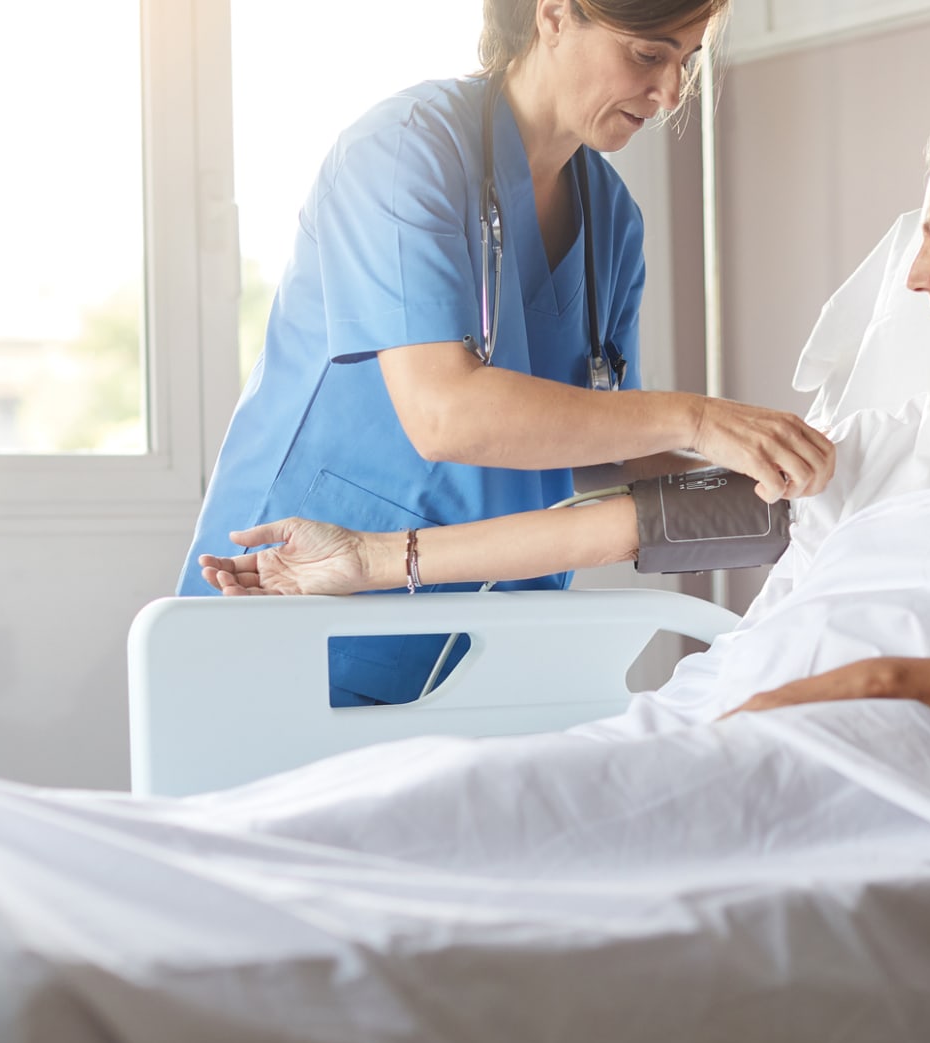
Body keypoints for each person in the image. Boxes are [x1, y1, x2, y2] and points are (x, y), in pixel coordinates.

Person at [196, 91, 930, 751]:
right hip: (730, 724)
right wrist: (366, 561)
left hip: (877, 743)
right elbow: (635, 522)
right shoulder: (891, 436)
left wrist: (875, 685)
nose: (914, 274)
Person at [180, 0, 836, 707]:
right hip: (299, 593)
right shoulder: (403, 152)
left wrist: (791, 478)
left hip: (488, 624)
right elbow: (445, 414)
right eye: (649, 55)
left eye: (688, 61)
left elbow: (610, 446)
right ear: (553, 15)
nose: (672, 94)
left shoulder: (611, 217)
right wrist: (701, 418)